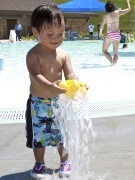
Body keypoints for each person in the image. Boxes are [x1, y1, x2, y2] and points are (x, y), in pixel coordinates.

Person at [25, 3, 78, 179]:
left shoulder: (63, 54)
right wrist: (50, 86)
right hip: (38, 103)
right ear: (35, 32)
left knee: (61, 134)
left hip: (58, 102)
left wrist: (77, 84)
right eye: (50, 34)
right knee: (39, 137)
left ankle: (65, 162)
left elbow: (70, 74)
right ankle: (39, 163)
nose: (56, 38)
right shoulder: (34, 54)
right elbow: (35, 75)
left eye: (60, 33)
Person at [99, 0, 131, 65]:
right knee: (115, 52)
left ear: (106, 8)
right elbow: (129, 9)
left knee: (104, 51)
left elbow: (102, 26)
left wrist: (100, 33)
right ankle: (114, 65)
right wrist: (127, 2)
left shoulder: (106, 15)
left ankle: (112, 62)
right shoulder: (118, 12)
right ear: (113, 6)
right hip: (117, 34)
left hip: (110, 34)